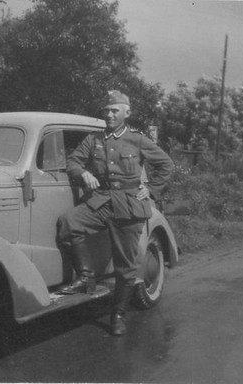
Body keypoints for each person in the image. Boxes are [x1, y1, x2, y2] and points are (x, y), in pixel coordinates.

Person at [57, 90, 174, 335]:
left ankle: (118, 313)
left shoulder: (138, 140)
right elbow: (73, 162)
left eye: (114, 111)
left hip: (129, 207)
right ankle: (87, 277)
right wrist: (84, 173)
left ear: (126, 113)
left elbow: (166, 164)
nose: (109, 115)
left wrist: (151, 189)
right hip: (102, 203)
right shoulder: (94, 139)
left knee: (125, 265)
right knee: (69, 222)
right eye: (106, 111)